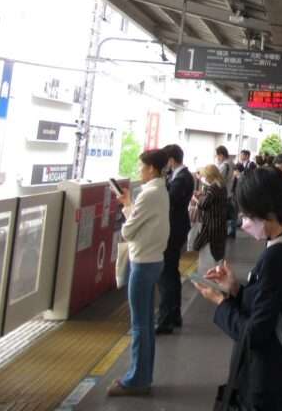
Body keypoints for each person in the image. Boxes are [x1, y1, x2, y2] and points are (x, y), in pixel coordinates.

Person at [194, 168, 282, 410]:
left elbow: (256, 334)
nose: (244, 222)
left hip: (267, 380)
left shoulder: (277, 256)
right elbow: (271, 303)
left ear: (267, 214)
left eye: (248, 215)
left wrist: (220, 302)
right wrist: (235, 289)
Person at [109, 149, 170, 397]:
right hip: (154, 260)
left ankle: (136, 380)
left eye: (141, 168)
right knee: (145, 322)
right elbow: (141, 220)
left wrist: (128, 209)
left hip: (143, 263)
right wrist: (128, 205)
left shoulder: (150, 193)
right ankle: (143, 375)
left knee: (139, 324)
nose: (139, 172)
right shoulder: (160, 191)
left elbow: (128, 231)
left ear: (152, 169)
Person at [157, 143, 194, 335]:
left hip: (173, 231)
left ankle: (165, 320)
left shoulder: (181, 179)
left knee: (167, 274)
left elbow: (168, 202)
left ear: (171, 160)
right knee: (171, 272)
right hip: (178, 229)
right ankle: (174, 314)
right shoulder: (183, 176)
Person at [193, 164, 228, 273]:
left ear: (210, 175)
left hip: (210, 223)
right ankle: (219, 272)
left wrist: (196, 199)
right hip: (220, 222)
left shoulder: (213, 188)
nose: (204, 178)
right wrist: (204, 194)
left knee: (198, 246)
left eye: (205, 176)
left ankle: (194, 272)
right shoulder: (222, 185)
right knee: (218, 251)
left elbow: (204, 205)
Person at [216, 146, 236, 238]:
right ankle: (230, 231)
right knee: (229, 214)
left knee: (222, 215)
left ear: (221, 155)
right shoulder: (231, 163)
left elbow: (218, 180)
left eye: (217, 155)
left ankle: (222, 232)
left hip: (223, 193)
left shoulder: (224, 165)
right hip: (229, 192)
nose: (217, 158)